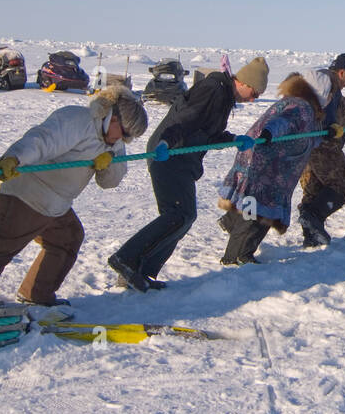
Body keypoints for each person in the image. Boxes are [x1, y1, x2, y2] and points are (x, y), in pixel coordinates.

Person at [0, 84, 148, 319]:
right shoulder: (78, 120)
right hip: (25, 190)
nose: (123, 139)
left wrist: (110, 165)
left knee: (67, 239)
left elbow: (110, 183)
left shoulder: (116, 143)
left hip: (55, 203)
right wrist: (14, 158)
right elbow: (42, 140)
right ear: (112, 115)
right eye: (125, 132)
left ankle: (36, 295)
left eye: (130, 138)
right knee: (1, 244)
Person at [109, 57, 267, 290]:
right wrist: (165, 141)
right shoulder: (213, 89)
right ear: (243, 82)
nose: (253, 99)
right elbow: (185, 118)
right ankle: (127, 260)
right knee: (180, 214)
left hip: (181, 156)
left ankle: (140, 271)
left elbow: (206, 133)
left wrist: (232, 139)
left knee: (180, 216)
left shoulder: (223, 97)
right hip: (169, 153)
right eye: (254, 93)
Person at [217, 73, 326, 264]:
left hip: (271, 167)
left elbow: (305, 137)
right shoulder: (300, 107)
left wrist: (327, 133)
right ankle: (236, 257)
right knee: (257, 214)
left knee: (256, 209)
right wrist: (269, 132)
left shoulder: (303, 106)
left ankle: (231, 223)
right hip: (266, 167)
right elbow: (282, 122)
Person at [297, 54, 345, 247]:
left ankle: (311, 236)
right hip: (325, 148)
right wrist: (330, 130)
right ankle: (313, 218)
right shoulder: (330, 84)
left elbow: (339, 123)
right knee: (341, 187)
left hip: (307, 147)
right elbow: (328, 122)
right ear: (342, 72)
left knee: (314, 191)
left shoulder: (319, 83)